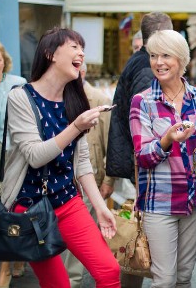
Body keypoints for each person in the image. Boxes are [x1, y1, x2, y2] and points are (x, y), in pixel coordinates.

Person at [0, 27, 120, 288]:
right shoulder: (21, 97)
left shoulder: (74, 98)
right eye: (74, 46)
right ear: (50, 54)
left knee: (109, 271)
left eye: (82, 48)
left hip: (69, 202)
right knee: (58, 285)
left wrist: (100, 208)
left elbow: (83, 161)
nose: (82, 53)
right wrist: (76, 127)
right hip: (30, 210)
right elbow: (34, 156)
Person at [130, 29, 196, 287]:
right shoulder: (142, 101)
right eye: (154, 56)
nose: (158, 62)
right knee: (164, 279)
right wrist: (166, 140)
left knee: (184, 276)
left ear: (181, 59)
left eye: (166, 55)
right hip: (159, 200)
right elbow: (142, 157)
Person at [107, 12, 172, 288]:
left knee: (139, 238)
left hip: (135, 162)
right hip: (146, 165)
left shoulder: (139, 61)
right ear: (158, 36)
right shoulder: (148, 70)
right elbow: (148, 127)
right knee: (142, 241)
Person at [63, 62, 115, 288]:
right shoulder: (58, 96)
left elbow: (109, 141)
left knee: (85, 237)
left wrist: (109, 179)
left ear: (83, 72)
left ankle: (74, 281)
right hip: (63, 179)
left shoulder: (98, 98)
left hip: (91, 175)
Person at [0, 40, 27, 288]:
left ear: (5, 62)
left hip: (15, 154)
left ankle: (11, 263)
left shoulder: (19, 83)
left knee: (11, 208)